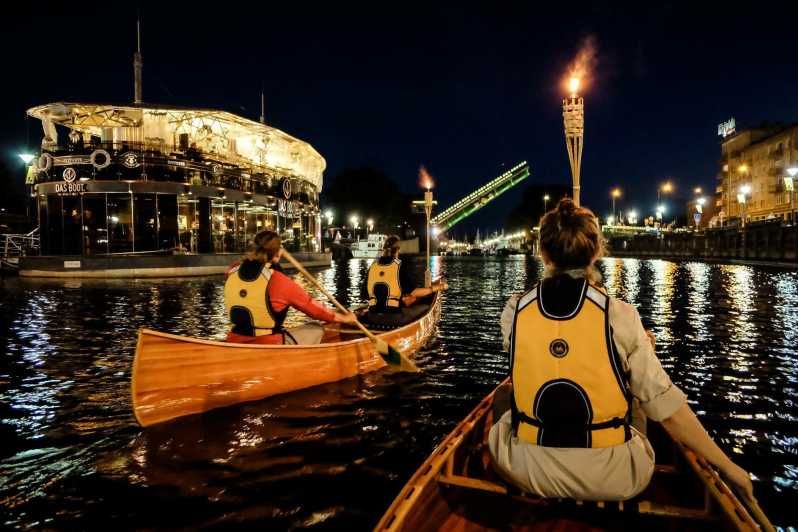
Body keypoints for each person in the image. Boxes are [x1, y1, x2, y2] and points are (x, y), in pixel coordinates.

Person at [489, 198, 754, 502]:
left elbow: (539, 356)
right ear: (597, 251)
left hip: (527, 469)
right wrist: (729, 467)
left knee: (504, 396)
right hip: (614, 477)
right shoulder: (620, 316)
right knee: (638, 399)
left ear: (543, 253)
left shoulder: (514, 311)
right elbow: (669, 411)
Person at [225, 230, 357, 345]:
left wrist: (272, 256)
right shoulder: (279, 281)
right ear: (277, 253)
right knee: (316, 327)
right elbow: (314, 309)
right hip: (269, 342)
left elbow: (240, 265)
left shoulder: (232, 273)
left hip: (234, 339)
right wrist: (345, 318)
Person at [363, 235, 446, 327]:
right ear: (398, 250)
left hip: (372, 317)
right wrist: (437, 287)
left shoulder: (372, 267)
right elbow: (414, 292)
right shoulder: (398, 267)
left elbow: (365, 295)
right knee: (425, 308)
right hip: (394, 319)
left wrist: (400, 300)